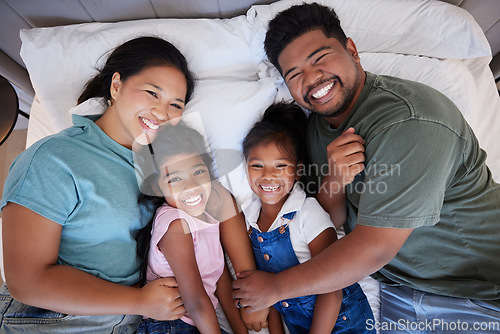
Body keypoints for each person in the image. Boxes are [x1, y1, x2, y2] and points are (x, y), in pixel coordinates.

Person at [233, 3, 500, 332]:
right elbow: (330, 222)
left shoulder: (410, 121)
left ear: (352, 50)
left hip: (476, 294)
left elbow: (373, 249)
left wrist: (275, 289)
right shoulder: (318, 126)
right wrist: (333, 181)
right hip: (394, 293)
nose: (312, 78)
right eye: (294, 74)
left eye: (320, 58)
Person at [0, 36, 260, 333]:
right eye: (152, 93)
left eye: (176, 105)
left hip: (134, 322)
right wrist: (138, 302)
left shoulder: (164, 157)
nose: (162, 113)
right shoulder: (54, 159)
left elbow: (221, 203)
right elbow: (27, 282)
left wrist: (251, 288)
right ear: (116, 85)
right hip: (50, 320)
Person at [241, 102, 374, 334]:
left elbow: (332, 284)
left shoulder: (307, 212)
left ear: (298, 170)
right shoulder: (250, 220)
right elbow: (268, 292)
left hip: (344, 321)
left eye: (280, 165)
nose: (268, 176)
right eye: (257, 165)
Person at [135, 122, 248, 334]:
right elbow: (195, 301)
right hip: (170, 325)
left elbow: (219, 275)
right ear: (156, 187)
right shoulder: (175, 225)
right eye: (175, 179)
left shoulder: (206, 217)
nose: (191, 186)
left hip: (198, 321)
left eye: (198, 172)